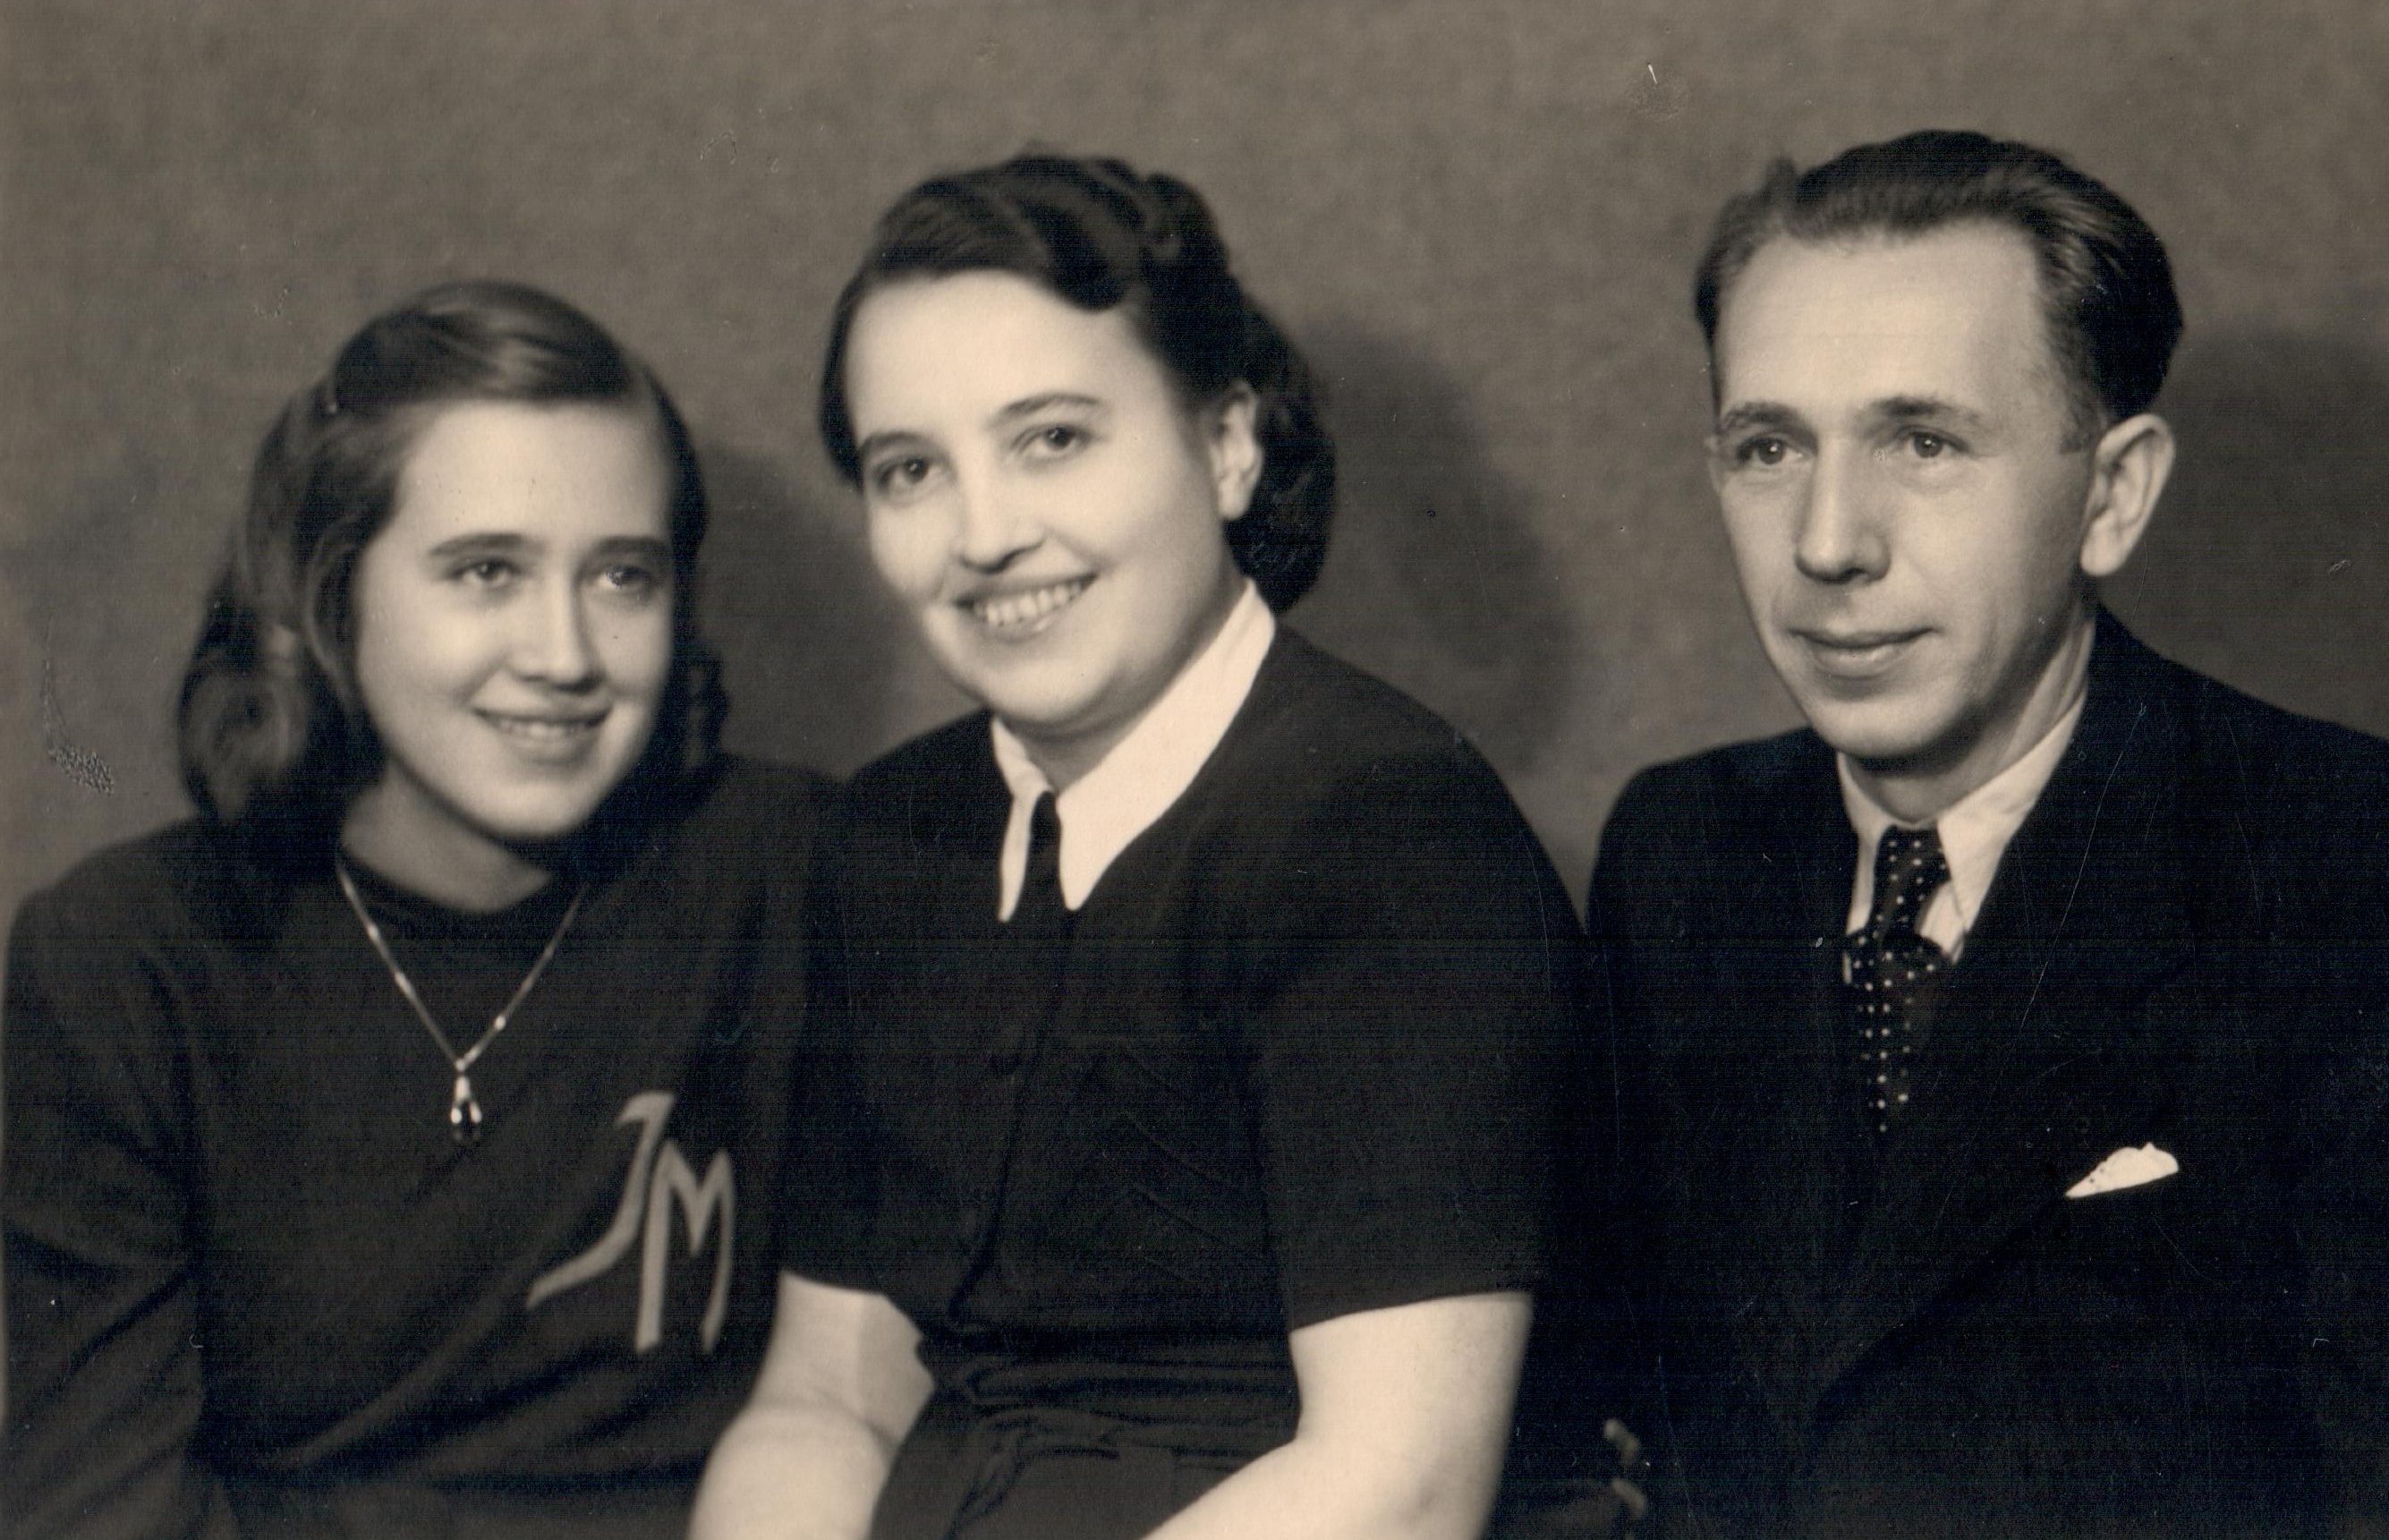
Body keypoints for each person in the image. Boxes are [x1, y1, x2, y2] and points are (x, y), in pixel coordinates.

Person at [693, 154, 1577, 1540]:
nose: (986, 535)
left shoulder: (1388, 833)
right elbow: (829, 1401)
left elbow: (1401, 1484)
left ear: (1226, 446)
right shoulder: (889, 836)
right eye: (910, 469)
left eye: (1052, 438)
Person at [1590, 129, 2389, 1538]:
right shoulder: (1680, 852)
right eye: (1769, 447)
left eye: (1924, 443)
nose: (1827, 542)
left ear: (2111, 495)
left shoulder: (2333, 859)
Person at [4, 281, 828, 1540]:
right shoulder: (130, 961)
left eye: (622, 576)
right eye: (486, 571)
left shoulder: (799, 877)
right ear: (328, 601)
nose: (563, 654)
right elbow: (97, 1509)